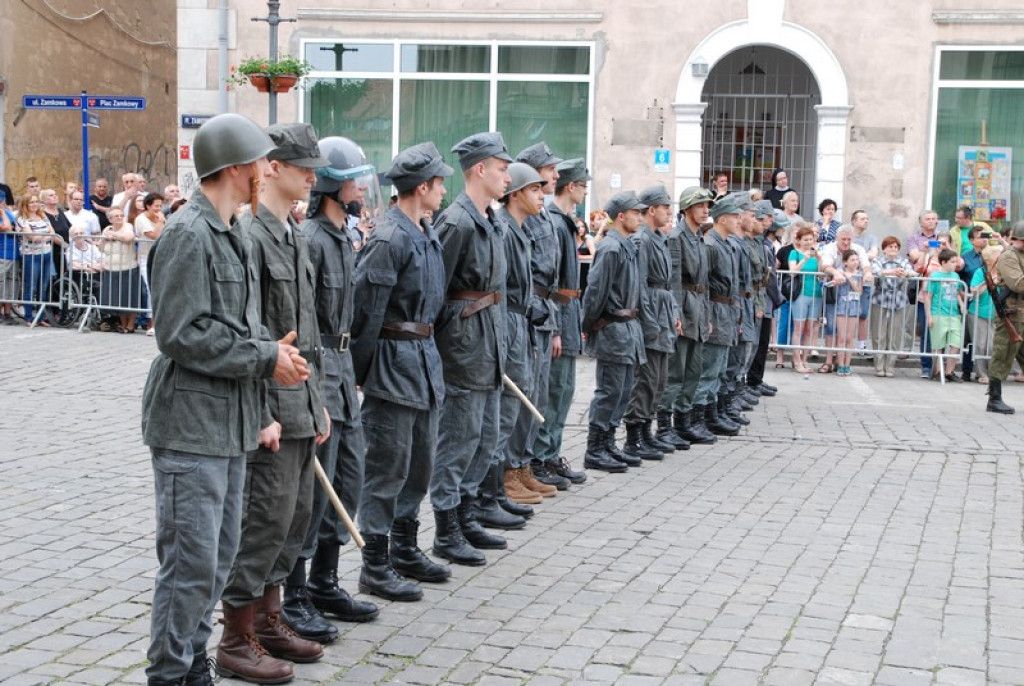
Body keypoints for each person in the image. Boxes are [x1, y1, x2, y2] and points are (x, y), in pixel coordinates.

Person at [140, 112, 309, 686]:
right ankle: (171, 674)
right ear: (236, 168)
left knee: (215, 562)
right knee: (189, 567)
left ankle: (193, 663)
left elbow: (238, 325)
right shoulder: (189, 234)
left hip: (229, 422)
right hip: (190, 424)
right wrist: (264, 357)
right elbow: (182, 333)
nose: (268, 169)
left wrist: (270, 360)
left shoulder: (232, 228)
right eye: (261, 160)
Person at [216, 123, 332, 683]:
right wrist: (262, 410)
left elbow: (305, 333)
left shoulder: (294, 234)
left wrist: (319, 402)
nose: (313, 174)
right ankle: (235, 637)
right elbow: (254, 335)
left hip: (301, 402)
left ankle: (268, 620)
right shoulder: (251, 237)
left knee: (295, 518)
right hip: (271, 407)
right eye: (301, 164)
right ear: (273, 169)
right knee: (264, 518)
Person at [282, 137, 382, 639]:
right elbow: (303, 319)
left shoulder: (345, 236)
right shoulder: (314, 239)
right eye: (353, 177)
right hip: (320, 370)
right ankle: (295, 594)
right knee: (313, 493)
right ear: (330, 186)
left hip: (343, 372)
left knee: (348, 479)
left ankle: (325, 581)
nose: (361, 185)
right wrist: (311, 392)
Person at [351, 142, 454, 603]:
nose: (444, 189)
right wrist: (362, 372)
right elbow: (364, 312)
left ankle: (405, 547)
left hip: (424, 364)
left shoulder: (425, 231)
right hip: (393, 365)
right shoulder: (390, 238)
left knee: (419, 465)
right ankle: (374, 562)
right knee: (387, 466)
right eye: (440, 182)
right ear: (423, 186)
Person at [430, 132, 512, 567]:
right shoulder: (457, 222)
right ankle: (445, 529)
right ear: (480, 169)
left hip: (489, 343)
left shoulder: (491, 219)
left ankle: (466, 513)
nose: (507, 176)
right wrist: (451, 341)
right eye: (501, 168)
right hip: (463, 349)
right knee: (457, 440)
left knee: (483, 438)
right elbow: (435, 292)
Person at [495, 163, 552, 508]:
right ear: (515, 194)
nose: (542, 195)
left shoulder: (520, 229)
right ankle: (504, 477)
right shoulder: (504, 230)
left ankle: (518, 469)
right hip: (509, 322)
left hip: (522, 322)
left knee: (523, 401)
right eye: (534, 189)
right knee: (508, 405)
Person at [533, 158, 591, 485]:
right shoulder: (555, 222)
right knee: (555, 391)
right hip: (558, 311)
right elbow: (550, 281)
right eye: (583, 186)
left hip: (568, 311)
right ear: (572, 187)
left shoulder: (563, 221)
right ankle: (542, 458)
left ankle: (552, 454)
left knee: (565, 390)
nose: (585, 191)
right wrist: (555, 328)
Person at [512, 143, 567, 490]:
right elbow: (527, 276)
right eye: (549, 171)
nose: (556, 176)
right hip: (530, 314)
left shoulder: (544, 214)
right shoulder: (522, 219)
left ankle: (524, 466)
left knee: (538, 395)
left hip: (545, 312)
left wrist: (555, 324)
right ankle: (512, 470)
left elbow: (553, 278)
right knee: (523, 397)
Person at [581, 191, 647, 472]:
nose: (640, 218)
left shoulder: (626, 245)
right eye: (636, 213)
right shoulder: (610, 248)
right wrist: (587, 324)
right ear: (621, 216)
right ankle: (595, 449)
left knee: (621, 392)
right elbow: (595, 290)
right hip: (612, 328)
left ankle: (608, 443)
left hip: (626, 329)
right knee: (609, 390)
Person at [622, 185, 683, 460]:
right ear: (651, 210)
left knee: (658, 379)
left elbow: (666, 284)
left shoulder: (658, 238)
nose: (668, 213)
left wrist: (672, 316)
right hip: (652, 316)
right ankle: (634, 437)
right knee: (645, 380)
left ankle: (647, 431)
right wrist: (649, 323)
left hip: (663, 313)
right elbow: (642, 286)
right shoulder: (643, 239)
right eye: (664, 208)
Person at [659, 186, 715, 445]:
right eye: (700, 205)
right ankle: (663, 426)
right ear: (687, 208)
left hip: (699, 308)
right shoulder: (677, 237)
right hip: (683, 306)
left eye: (707, 206)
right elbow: (674, 281)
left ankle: (684, 422)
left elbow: (704, 283)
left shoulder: (699, 236)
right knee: (675, 372)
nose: (705, 210)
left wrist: (707, 316)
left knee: (694, 370)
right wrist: (676, 313)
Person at [692, 193, 745, 435]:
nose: (739, 219)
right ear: (722, 219)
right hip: (714, 310)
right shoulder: (711, 245)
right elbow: (703, 285)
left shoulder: (726, 244)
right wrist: (707, 317)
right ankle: (698, 419)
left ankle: (712, 415)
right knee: (709, 369)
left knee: (720, 368)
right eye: (735, 216)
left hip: (726, 311)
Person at [744, 200, 782, 397]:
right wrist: (777, 297)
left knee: (758, 343)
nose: (769, 220)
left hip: (759, 297)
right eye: (764, 217)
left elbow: (766, 275)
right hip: (751, 298)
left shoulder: (761, 243)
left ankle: (752, 381)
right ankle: (748, 382)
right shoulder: (751, 243)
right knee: (749, 346)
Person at [986, 222, 1024, 412]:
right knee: (1003, 354)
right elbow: (1018, 284)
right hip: (1012, 314)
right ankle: (994, 398)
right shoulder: (1009, 256)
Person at [870, 236, 915, 377]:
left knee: (894, 334)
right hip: (880, 298)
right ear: (884, 249)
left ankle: (890, 366)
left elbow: (913, 273)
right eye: (890, 247)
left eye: (896, 247)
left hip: (898, 298)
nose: (893, 250)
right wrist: (892, 272)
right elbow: (875, 271)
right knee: (879, 333)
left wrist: (905, 273)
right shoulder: (878, 260)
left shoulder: (903, 261)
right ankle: (879, 365)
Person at [921, 248, 966, 382]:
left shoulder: (956, 276)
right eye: (952, 262)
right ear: (944, 262)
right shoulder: (935, 276)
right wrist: (929, 315)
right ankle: (938, 371)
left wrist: (961, 304)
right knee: (938, 345)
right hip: (938, 313)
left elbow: (957, 292)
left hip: (953, 314)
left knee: (956, 344)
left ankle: (949, 371)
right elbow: (928, 297)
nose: (955, 265)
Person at [99, 206, 141, 333]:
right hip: (111, 268)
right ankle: (123, 324)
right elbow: (101, 247)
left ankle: (131, 324)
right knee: (118, 298)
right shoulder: (106, 229)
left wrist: (114, 235)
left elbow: (128, 238)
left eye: (121, 215)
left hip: (128, 266)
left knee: (130, 297)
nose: (119, 218)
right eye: (116, 216)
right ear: (110, 219)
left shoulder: (127, 226)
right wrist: (106, 238)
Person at [15, 194, 56, 326]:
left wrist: (42, 236)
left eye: (36, 202)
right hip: (31, 255)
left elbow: (52, 232)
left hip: (46, 253)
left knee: (43, 287)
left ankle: (40, 316)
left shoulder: (43, 217)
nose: (34, 204)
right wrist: (45, 236)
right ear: (25, 205)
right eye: (31, 202)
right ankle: (28, 316)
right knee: (30, 286)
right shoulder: (22, 219)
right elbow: (32, 237)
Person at [787, 224, 822, 374]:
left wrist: (819, 260)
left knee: (809, 329)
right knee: (798, 328)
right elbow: (792, 272)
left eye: (811, 239)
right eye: (805, 239)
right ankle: (796, 360)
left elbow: (820, 275)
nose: (808, 242)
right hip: (801, 293)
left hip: (815, 293)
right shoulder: (794, 253)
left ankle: (805, 359)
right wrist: (804, 259)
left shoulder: (815, 254)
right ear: (799, 240)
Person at [968, 245, 1002, 385]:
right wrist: (987, 281)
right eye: (998, 255)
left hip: (996, 314)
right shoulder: (979, 272)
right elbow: (974, 292)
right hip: (978, 313)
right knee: (980, 344)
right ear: (990, 259)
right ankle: (981, 374)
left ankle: (991, 373)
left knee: (992, 345)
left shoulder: (1002, 272)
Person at [134, 192, 165, 335]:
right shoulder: (141, 219)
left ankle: (161, 321)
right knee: (151, 288)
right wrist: (160, 222)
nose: (159, 209)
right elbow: (154, 236)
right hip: (146, 257)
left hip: (161, 256)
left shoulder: (161, 218)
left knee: (160, 289)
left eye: (160, 206)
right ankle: (150, 323)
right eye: (156, 206)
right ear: (148, 206)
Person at [831, 250, 864, 377]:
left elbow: (859, 290)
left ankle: (847, 364)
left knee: (850, 338)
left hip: (854, 306)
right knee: (841, 337)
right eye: (852, 260)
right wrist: (838, 278)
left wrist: (850, 278)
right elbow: (834, 283)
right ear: (845, 262)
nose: (855, 262)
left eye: (857, 260)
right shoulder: (839, 271)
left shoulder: (859, 274)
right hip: (841, 305)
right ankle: (840, 364)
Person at [0, 193, 19, 323]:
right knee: (1, 284)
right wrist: (2, 213)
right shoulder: (4, 213)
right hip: (1, 254)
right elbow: (6, 227)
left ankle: (8, 312)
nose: (3, 204)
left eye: (3, 201)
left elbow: (16, 227)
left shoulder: (9, 213)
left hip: (13, 253)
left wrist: (4, 212)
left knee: (11, 284)